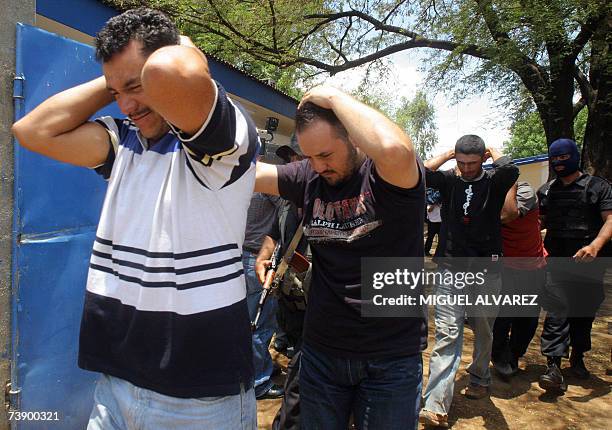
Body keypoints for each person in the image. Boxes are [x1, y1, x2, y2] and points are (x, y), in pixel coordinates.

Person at [12, 8, 258, 429]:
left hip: (198, 402)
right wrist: (117, 86)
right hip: (116, 387)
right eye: (116, 92)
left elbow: (171, 69)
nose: (127, 106)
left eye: (137, 86)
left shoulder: (222, 144)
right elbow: (32, 130)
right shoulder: (123, 141)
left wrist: (175, 50)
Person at [255, 86, 427, 429]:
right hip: (322, 353)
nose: (319, 166)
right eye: (310, 157)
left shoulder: (389, 176)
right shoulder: (309, 175)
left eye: (326, 155)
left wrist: (331, 97)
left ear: (354, 139)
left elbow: (395, 147)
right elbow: (246, 174)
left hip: (390, 357)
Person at [419, 137, 519, 428]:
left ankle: (479, 377)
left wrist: (493, 153)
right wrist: (449, 153)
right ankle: (436, 403)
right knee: (448, 334)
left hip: (487, 269)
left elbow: (511, 170)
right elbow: (422, 171)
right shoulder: (449, 180)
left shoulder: (494, 180)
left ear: (483, 159)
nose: (466, 168)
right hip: (451, 268)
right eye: (461, 162)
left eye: (472, 163)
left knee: (484, 329)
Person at [537, 138, 612, 393]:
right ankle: (553, 366)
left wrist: (596, 245)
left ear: (574, 156)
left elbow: (610, 219)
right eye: (554, 159)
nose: (558, 163)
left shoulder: (598, 187)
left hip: (589, 262)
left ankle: (578, 356)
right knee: (557, 310)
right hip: (557, 260)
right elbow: (541, 221)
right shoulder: (547, 191)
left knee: (583, 312)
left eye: (563, 158)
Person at [492, 181, 547, 380]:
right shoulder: (486, 190)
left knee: (527, 318)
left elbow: (508, 214)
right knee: (502, 316)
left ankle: (514, 354)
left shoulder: (525, 190)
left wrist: (508, 185)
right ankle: (500, 356)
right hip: (504, 265)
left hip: (532, 265)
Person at [243, 191, 284, 399]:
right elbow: (288, 205)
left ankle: (259, 366)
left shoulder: (244, 184)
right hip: (260, 261)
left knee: (247, 321)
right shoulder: (271, 190)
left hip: (243, 256)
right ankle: (259, 382)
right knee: (261, 325)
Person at [425, 188, 442, 256]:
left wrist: (438, 202)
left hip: (441, 221)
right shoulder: (430, 198)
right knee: (430, 238)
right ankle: (426, 251)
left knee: (441, 240)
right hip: (432, 222)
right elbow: (429, 210)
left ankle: (438, 254)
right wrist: (435, 203)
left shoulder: (440, 199)